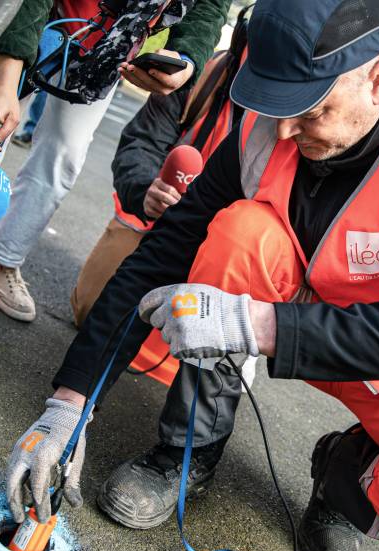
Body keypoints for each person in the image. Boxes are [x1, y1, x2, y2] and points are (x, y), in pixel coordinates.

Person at [4, 0, 379, 551]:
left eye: (311, 109)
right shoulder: (269, 124)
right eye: (278, 105)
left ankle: (342, 481)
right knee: (238, 233)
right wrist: (70, 405)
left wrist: (252, 322)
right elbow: (161, 256)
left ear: (378, 79)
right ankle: (188, 452)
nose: (284, 129)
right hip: (287, 297)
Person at [0, 0, 231, 339]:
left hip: (110, 40)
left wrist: (186, 59)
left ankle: (2, 259)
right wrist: (3, 84)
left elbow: (210, 6)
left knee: (66, 152)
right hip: (32, 12)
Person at [71, 9, 247, 387]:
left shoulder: (305, 115)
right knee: (91, 312)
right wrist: (146, 190)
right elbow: (141, 143)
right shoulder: (200, 72)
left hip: (225, 252)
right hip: (157, 225)